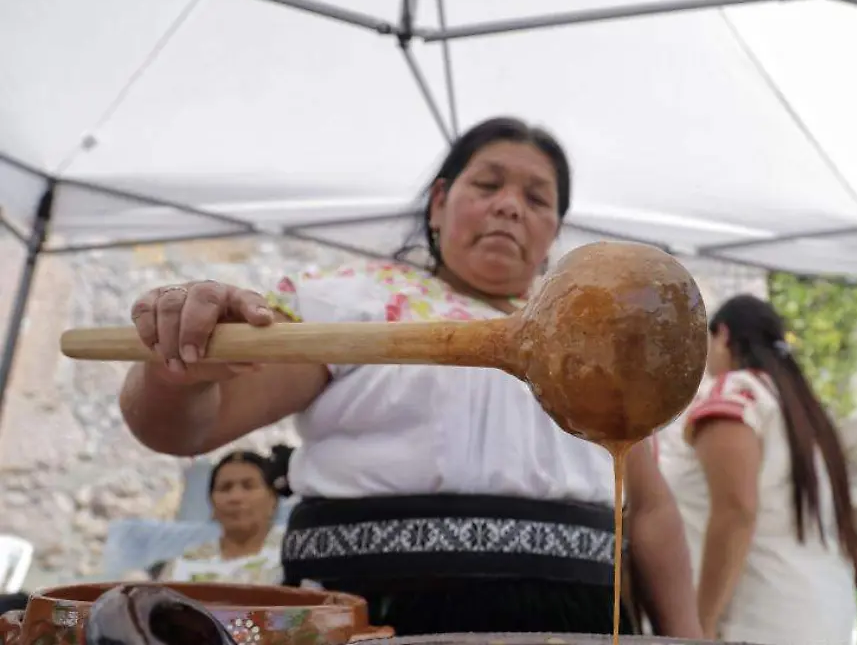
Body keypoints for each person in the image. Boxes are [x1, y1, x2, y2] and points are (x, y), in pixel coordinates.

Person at [117, 117, 702, 638]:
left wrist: (688, 636)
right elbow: (186, 430)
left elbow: (649, 510)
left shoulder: (598, 344)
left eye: (537, 198)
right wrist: (179, 367)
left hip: (577, 617)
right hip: (378, 613)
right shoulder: (348, 306)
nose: (509, 206)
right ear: (439, 203)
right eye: (488, 184)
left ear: (554, 231)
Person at [657, 294, 857, 645]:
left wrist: (700, 623)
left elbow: (736, 509)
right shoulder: (809, 414)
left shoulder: (737, 391)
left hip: (763, 616)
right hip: (833, 613)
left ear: (722, 334)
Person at [158, 449, 287, 585]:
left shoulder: (293, 555)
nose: (235, 497)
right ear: (211, 502)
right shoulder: (185, 563)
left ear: (273, 498)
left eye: (248, 486)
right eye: (225, 488)